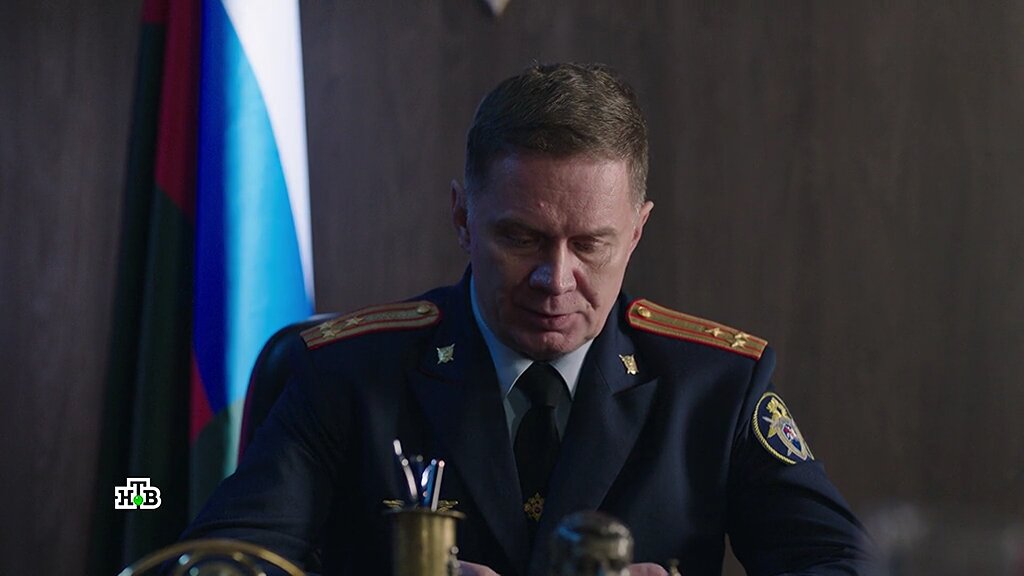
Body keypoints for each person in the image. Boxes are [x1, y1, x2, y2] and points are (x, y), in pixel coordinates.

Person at [183, 62, 875, 575]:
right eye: (521, 238)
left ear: (636, 233)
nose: (556, 279)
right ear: (463, 218)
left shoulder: (716, 384)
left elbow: (842, 566)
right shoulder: (347, 374)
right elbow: (216, 567)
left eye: (591, 245)